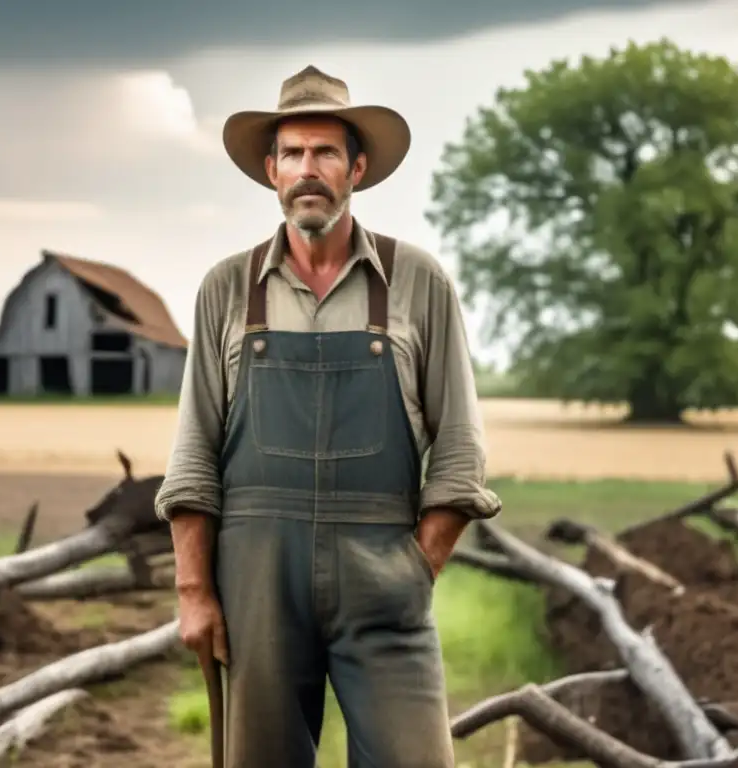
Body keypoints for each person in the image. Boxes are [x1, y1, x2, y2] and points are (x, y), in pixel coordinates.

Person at [155, 64, 502, 768]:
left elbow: (461, 451)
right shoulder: (227, 287)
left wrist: (416, 566)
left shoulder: (419, 281)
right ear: (271, 169)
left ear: (357, 167)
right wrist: (194, 590)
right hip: (256, 579)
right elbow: (193, 455)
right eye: (294, 154)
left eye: (326, 153)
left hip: (384, 579)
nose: (308, 170)